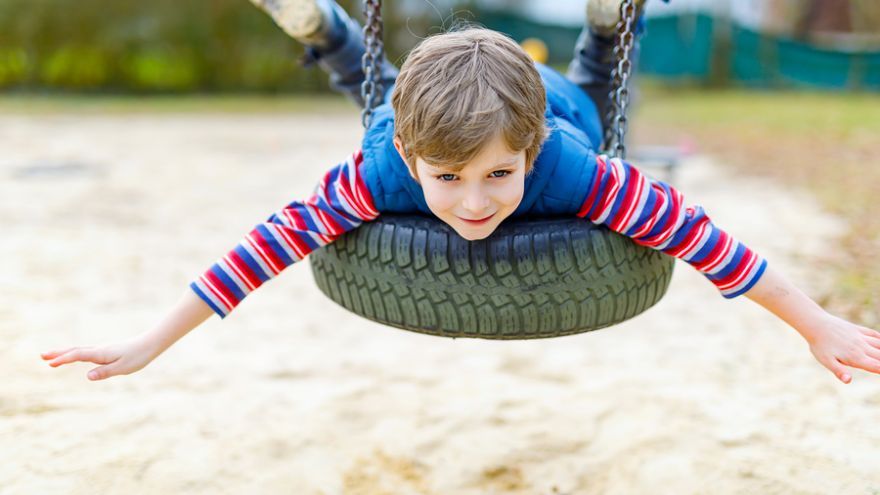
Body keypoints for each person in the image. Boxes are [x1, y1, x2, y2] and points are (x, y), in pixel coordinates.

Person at [42, 0, 880, 385]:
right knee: (376, 94)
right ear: (415, 159)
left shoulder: (572, 165)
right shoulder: (382, 168)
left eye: (497, 177)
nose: (474, 203)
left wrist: (817, 322)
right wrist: (149, 342)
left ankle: (601, 19)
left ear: (529, 154)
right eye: (447, 179)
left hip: (550, 103)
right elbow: (261, 251)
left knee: (590, 92)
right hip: (408, 115)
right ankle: (329, 26)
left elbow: (706, 243)